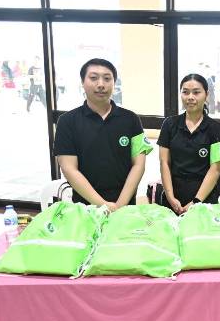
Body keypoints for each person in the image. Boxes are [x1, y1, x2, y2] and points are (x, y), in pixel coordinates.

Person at [54, 58, 152, 212]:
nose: (101, 84)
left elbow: (139, 165)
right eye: (93, 78)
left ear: (114, 83)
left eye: (107, 78)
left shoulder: (131, 119)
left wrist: (120, 205)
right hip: (86, 208)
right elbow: (69, 169)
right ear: (82, 82)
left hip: (125, 207)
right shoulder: (67, 121)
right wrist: (102, 205)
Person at [158, 73, 220, 215]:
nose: (190, 97)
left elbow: (216, 169)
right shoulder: (169, 124)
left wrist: (196, 201)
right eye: (185, 92)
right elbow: (164, 163)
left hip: (204, 187)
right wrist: (170, 196)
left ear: (206, 95)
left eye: (196, 92)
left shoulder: (215, 128)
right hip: (176, 186)